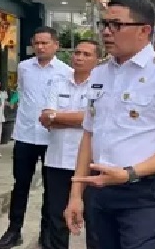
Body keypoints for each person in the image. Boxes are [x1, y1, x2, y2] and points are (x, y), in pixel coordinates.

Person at [64, 0, 155, 249]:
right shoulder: (99, 73)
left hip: (147, 194)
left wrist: (129, 174)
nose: (107, 32)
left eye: (116, 25)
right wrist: (76, 194)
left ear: (144, 30)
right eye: (104, 24)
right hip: (101, 189)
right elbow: (89, 134)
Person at [0, 27, 72, 249]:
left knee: (52, 189)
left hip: (52, 137)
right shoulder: (24, 67)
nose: (40, 47)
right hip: (25, 135)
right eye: (37, 43)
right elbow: (21, 93)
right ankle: (13, 231)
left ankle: (46, 233)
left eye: (45, 43)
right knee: (20, 185)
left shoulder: (66, 72)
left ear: (56, 45)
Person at [38, 40, 102, 249]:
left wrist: (58, 118)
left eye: (86, 54)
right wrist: (78, 119)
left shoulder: (101, 85)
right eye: (77, 52)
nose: (79, 57)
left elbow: (96, 118)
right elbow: (45, 117)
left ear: (97, 59)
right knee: (56, 216)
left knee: (94, 218)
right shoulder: (58, 81)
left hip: (90, 163)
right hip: (57, 160)